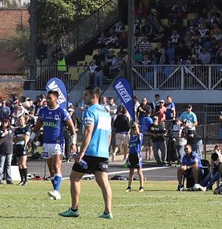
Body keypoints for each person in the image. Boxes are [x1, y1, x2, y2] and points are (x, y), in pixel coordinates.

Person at [60, 86, 114, 219]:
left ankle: (74, 209)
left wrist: (82, 151)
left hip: (91, 151)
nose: (84, 97)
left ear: (93, 96)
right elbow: (109, 134)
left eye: (86, 95)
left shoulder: (90, 111)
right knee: (104, 182)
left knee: (75, 177)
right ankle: (108, 212)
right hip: (102, 152)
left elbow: (88, 132)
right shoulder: (106, 112)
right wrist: (106, 149)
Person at [35, 89, 74, 200]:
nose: (47, 100)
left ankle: (56, 191)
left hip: (58, 143)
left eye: (50, 98)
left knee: (57, 166)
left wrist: (74, 143)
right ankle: (56, 191)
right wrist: (31, 138)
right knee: (51, 169)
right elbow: (37, 127)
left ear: (56, 99)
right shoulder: (43, 111)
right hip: (47, 143)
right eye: (47, 98)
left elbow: (72, 128)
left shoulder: (62, 112)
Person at [122, 111, 145, 192]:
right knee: (131, 171)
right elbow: (130, 147)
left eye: (134, 129)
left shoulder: (140, 135)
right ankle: (129, 186)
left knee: (139, 171)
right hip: (131, 154)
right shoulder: (131, 138)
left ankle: (141, 187)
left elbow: (139, 134)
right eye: (132, 129)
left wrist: (136, 126)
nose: (133, 130)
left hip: (137, 155)